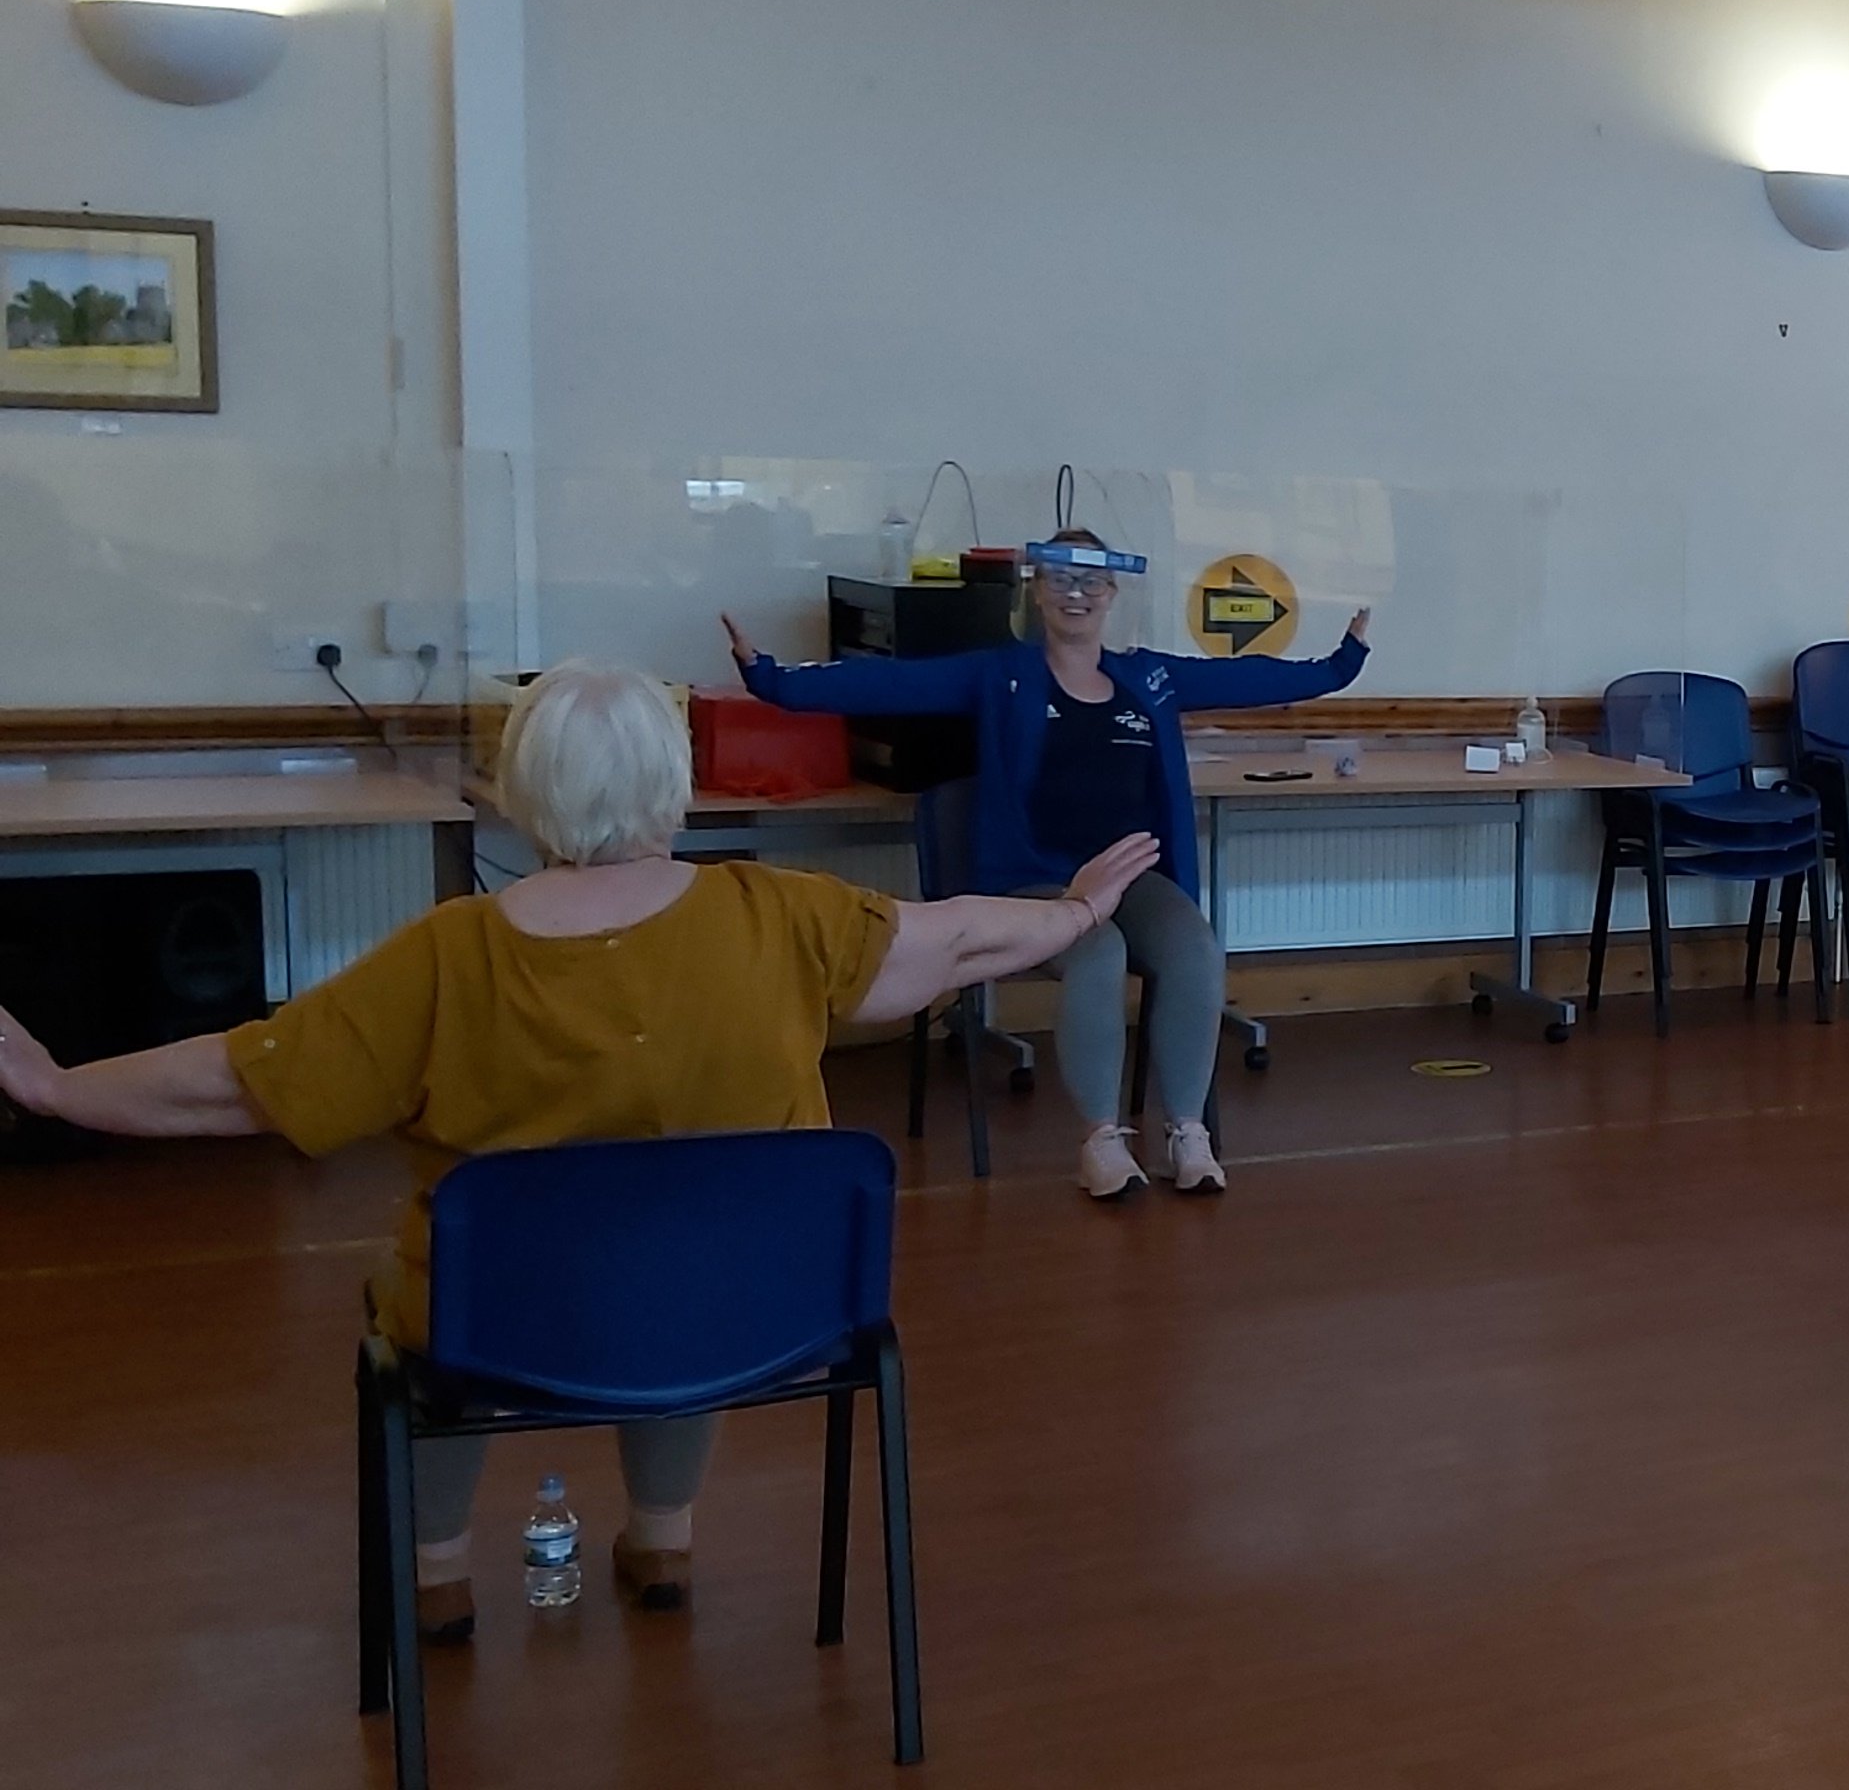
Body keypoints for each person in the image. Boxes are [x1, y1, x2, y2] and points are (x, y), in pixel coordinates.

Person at [0, 662, 1159, 1642]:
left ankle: (439, 1575)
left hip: (502, 1329)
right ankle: (663, 1545)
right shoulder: (779, 916)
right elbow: (954, 936)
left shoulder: (448, 958)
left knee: (431, 1317)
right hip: (765, 1316)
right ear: (674, 784)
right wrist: (1069, 917)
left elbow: (240, 1084)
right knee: (681, 1267)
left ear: (521, 794)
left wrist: (58, 1088)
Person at [729, 530, 1374, 1200]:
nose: (1077, 594)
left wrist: (1341, 663)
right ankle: (1101, 1141)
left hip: (1128, 876)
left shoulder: (1147, 678)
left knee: (1194, 950)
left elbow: (1250, 679)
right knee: (1097, 951)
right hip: (1036, 880)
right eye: (1061, 580)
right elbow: (887, 682)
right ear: (1036, 590)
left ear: (1112, 593)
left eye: (1092, 583)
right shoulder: (999, 674)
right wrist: (769, 677)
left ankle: (1187, 1131)